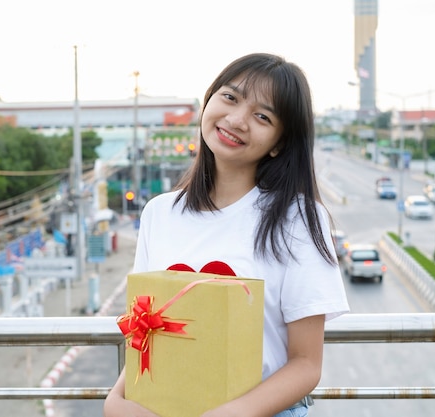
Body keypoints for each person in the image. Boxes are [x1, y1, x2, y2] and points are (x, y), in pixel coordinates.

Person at [104, 52, 350, 417]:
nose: (236, 120)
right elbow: (146, 332)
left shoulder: (298, 219)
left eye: (262, 116)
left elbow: (305, 364)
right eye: (230, 98)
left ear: (279, 142)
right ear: (209, 101)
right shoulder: (159, 213)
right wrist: (116, 400)